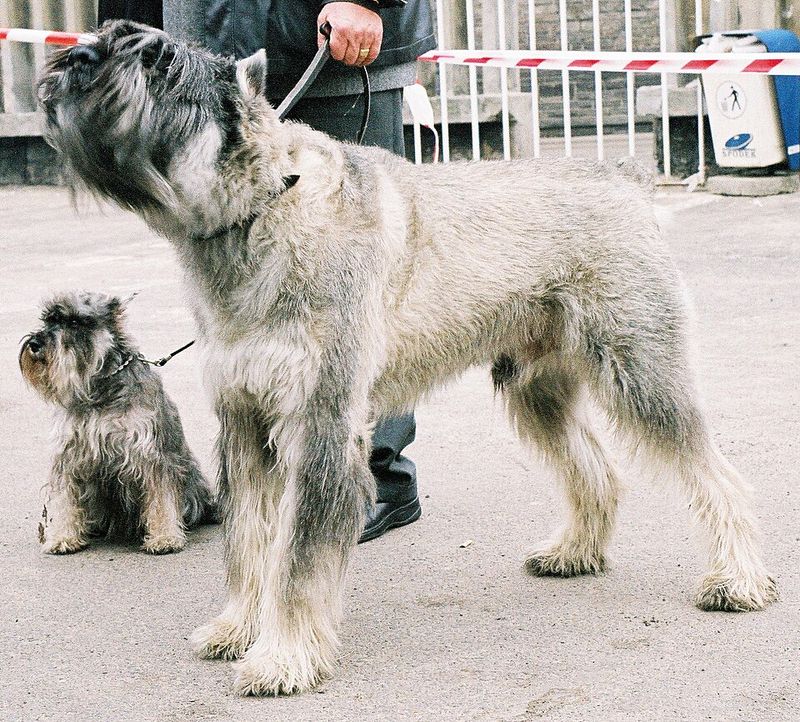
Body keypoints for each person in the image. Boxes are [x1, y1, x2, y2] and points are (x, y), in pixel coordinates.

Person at [97, 0, 436, 543]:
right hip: (202, 68)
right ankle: (274, 480)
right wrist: (124, 42)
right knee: (236, 286)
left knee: (352, 301)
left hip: (328, 54)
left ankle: (375, 478)